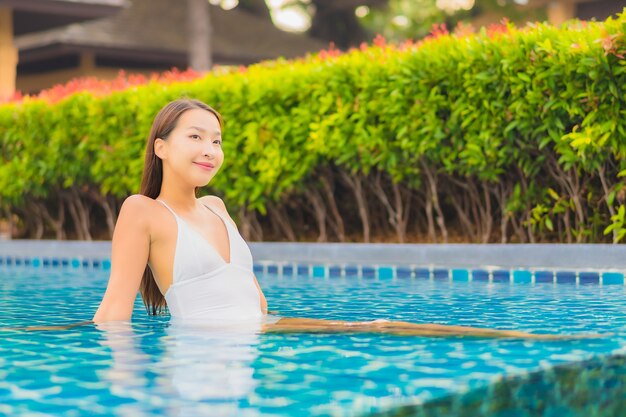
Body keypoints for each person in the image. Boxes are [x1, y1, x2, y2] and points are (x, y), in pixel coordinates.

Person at [34, 98, 587, 339]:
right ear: (160, 147)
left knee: (384, 325)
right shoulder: (141, 212)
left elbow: (249, 291)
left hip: (258, 335)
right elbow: (115, 311)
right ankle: (533, 343)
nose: (210, 149)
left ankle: (526, 338)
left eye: (217, 139)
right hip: (208, 350)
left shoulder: (217, 207)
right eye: (195, 137)